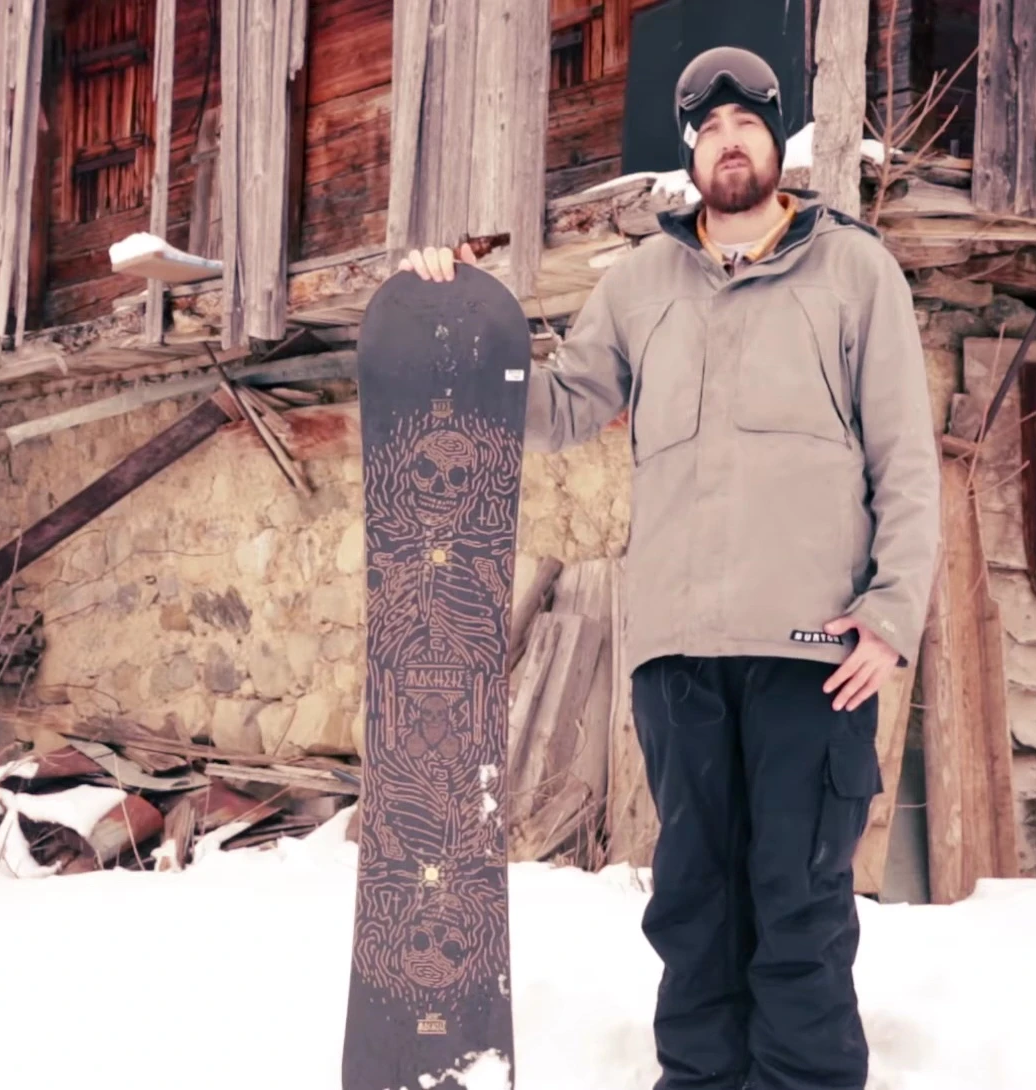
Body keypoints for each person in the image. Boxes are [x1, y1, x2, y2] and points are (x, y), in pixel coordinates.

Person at [395, 46, 940, 1090]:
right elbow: (557, 409)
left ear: (777, 141)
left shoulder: (856, 269)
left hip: (815, 650)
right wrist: (459, 312)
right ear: (690, 150)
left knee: (798, 904)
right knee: (692, 903)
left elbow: (905, 458)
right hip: (678, 654)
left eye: (748, 122)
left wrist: (891, 614)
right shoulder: (642, 282)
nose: (729, 139)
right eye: (709, 125)